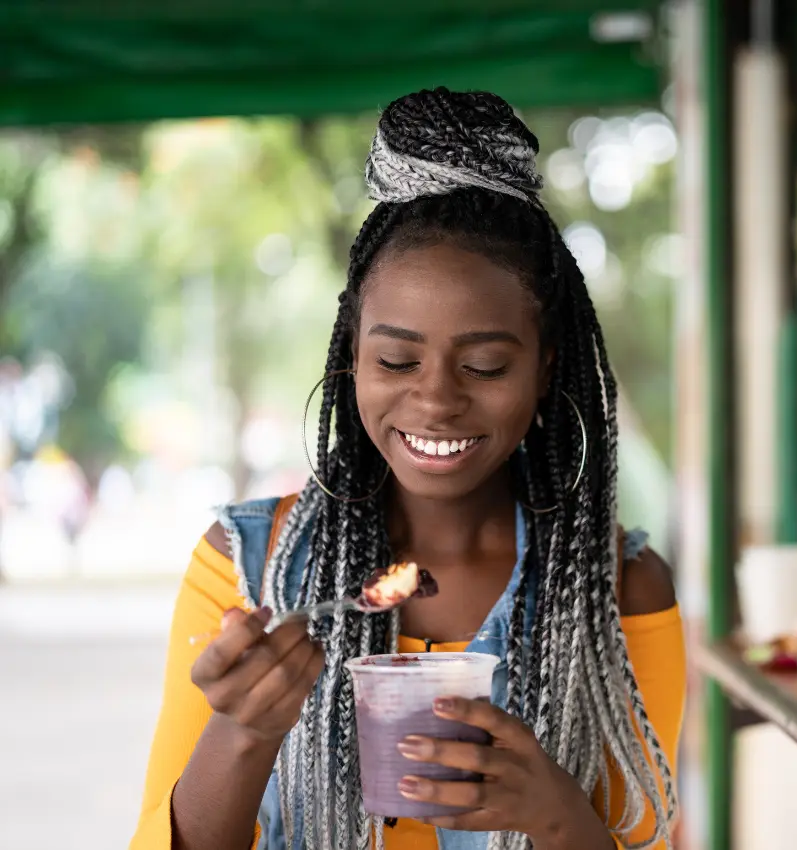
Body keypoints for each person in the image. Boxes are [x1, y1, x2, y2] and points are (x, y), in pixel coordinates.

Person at [131, 88, 686, 850]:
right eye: (396, 358)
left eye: (486, 365)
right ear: (352, 356)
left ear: (546, 367)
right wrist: (242, 731)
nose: (436, 399)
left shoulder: (617, 590)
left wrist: (557, 815)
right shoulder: (244, 571)